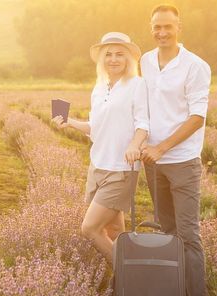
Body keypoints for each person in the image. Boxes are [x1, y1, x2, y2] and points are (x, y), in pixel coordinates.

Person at [139, 4, 211, 296]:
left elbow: (197, 117)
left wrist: (163, 147)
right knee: (166, 233)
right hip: (152, 163)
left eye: (168, 26)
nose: (162, 32)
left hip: (181, 161)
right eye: (157, 27)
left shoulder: (196, 66)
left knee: (188, 235)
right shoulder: (145, 62)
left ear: (179, 27)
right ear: (151, 28)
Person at [52, 32, 148, 265]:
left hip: (121, 169)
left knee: (90, 228)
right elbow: (95, 128)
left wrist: (134, 145)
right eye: (108, 55)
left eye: (119, 54)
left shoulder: (137, 85)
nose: (113, 59)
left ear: (128, 59)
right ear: (101, 59)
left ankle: (131, 277)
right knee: (113, 231)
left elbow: (143, 124)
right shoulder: (99, 87)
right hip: (97, 167)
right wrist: (70, 123)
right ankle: (120, 291)